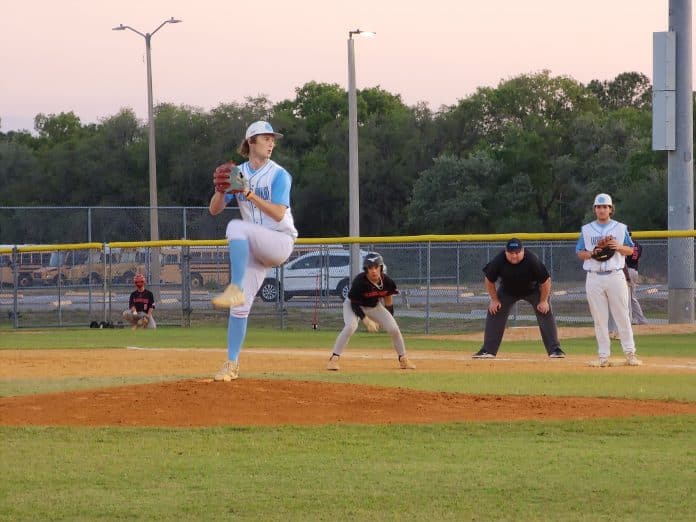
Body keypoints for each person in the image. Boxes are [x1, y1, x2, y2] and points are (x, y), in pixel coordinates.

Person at [208, 121, 298, 382]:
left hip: (280, 241)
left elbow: (280, 213)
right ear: (250, 142)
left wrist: (247, 193)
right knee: (239, 308)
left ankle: (234, 286)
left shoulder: (279, 174)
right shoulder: (237, 172)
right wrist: (220, 190)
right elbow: (214, 210)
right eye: (266, 138)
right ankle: (231, 364)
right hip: (256, 246)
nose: (272, 143)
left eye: (273, 139)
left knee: (236, 226)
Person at [576, 193, 641, 367]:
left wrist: (618, 247)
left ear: (611, 209)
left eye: (605, 207)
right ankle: (603, 357)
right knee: (599, 318)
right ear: (594, 209)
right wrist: (591, 253)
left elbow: (630, 250)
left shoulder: (620, 228)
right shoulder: (587, 229)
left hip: (615, 274)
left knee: (622, 316)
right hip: (594, 276)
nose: (602, 209)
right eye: (599, 207)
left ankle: (630, 354)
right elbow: (580, 252)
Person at [472, 238, 565, 359]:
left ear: (522, 251)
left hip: (533, 290)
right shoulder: (499, 259)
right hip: (507, 291)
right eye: (511, 253)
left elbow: (546, 281)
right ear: (505, 251)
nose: (514, 256)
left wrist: (543, 301)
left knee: (545, 311)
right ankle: (488, 350)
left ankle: (555, 349)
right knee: (495, 310)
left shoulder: (531, 259)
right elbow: (489, 279)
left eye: (517, 252)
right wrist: (494, 300)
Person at [326, 253, 416, 371]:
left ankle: (403, 359)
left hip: (373, 306)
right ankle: (334, 359)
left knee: (394, 328)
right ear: (366, 269)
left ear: (381, 268)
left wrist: (389, 319)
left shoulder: (387, 281)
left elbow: (388, 301)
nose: (373, 270)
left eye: (376, 267)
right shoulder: (360, 281)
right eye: (370, 267)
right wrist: (366, 320)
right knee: (351, 326)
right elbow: (354, 304)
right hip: (352, 304)